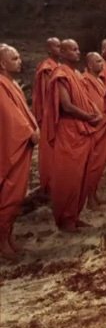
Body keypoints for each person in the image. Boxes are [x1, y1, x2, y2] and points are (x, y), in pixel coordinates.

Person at [44, 40, 105, 232]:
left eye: (78, 49)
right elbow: (66, 105)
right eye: (73, 49)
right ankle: (65, 219)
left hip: (83, 130)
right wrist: (89, 117)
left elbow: (86, 100)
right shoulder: (60, 74)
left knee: (82, 175)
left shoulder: (76, 75)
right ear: (62, 53)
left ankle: (75, 215)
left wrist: (96, 113)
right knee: (70, 176)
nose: (78, 52)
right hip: (69, 131)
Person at [0, 44, 38, 260]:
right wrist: (29, 131)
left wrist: (33, 127)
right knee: (9, 195)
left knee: (17, 195)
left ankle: (9, 237)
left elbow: (23, 111)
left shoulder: (12, 84)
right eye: (14, 58)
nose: (20, 61)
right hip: (9, 148)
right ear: (1, 63)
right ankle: (2, 241)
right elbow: (10, 117)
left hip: (21, 147)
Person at [80, 52, 106, 211]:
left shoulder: (100, 80)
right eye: (98, 61)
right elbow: (86, 102)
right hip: (95, 127)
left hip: (105, 125)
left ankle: (94, 194)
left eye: (102, 61)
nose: (102, 64)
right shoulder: (84, 80)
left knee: (100, 165)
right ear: (90, 65)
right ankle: (89, 198)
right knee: (93, 164)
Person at [32, 37, 60, 194]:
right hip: (50, 114)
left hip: (60, 115)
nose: (59, 48)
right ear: (49, 49)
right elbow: (47, 95)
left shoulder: (59, 67)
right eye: (56, 46)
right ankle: (49, 185)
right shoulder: (46, 68)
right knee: (49, 150)